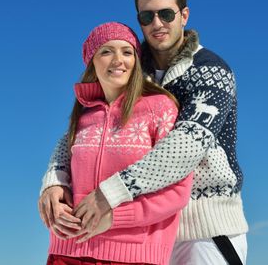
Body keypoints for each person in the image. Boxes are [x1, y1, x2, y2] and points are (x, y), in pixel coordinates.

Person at [39, 0, 249, 264]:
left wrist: (108, 194)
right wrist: (55, 179)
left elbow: (185, 146)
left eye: (166, 14)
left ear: (184, 15)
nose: (157, 24)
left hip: (204, 226)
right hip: (145, 233)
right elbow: (85, 130)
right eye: (147, 16)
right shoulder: (132, 66)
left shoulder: (211, 71)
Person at [45, 22, 193, 265]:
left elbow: (177, 192)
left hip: (132, 257)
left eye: (127, 52)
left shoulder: (159, 108)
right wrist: (55, 196)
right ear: (92, 60)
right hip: (67, 253)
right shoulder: (83, 115)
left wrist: (115, 217)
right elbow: (64, 173)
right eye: (106, 51)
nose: (118, 60)